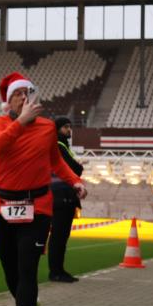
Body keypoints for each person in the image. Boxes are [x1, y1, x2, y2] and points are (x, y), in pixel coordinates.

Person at [0, 73, 87, 306]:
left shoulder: (46, 129)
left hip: (38, 207)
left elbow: (56, 161)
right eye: (18, 94)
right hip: (3, 205)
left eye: (29, 93)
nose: (25, 98)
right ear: (9, 101)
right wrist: (20, 122)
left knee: (27, 270)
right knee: (11, 273)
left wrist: (74, 182)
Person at [48, 116, 84, 282]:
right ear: (57, 129)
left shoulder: (63, 146)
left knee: (61, 236)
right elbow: (75, 168)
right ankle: (56, 271)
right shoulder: (58, 145)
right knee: (59, 236)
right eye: (65, 127)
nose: (69, 130)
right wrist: (79, 166)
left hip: (64, 195)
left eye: (69, 126)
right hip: (60, 195)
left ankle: (58, 270)